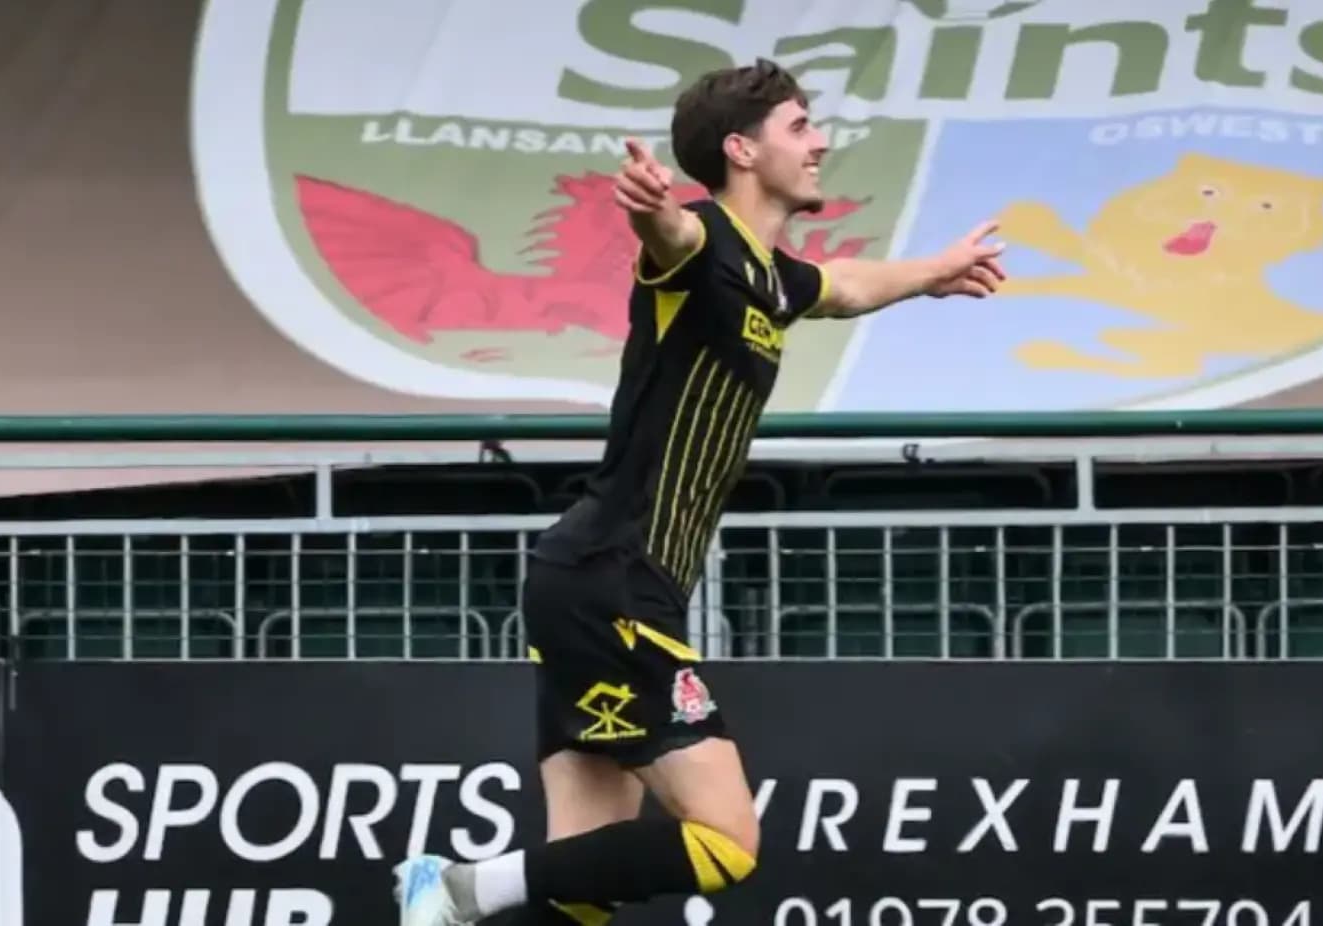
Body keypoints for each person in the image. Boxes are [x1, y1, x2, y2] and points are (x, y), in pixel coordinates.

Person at [394, 57, 1006, 926]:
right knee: (725, 842)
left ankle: (475, 895)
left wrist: (935, 269)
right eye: (800, 126)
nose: (821, 141)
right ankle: (458, 888)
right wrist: (654, 215)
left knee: (583, 886)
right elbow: (673, 240)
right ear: (740, 150)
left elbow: (847, 287)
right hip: (613, 580)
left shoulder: (774, 275)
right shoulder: (700, 246)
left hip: (597, 579)